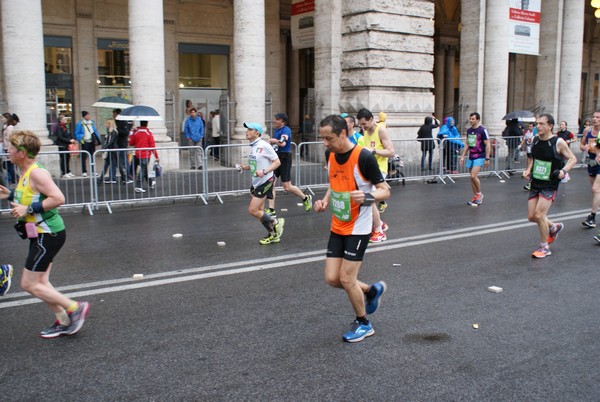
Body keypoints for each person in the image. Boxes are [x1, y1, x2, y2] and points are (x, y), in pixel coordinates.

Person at [0, 130, 90, 337]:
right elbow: (30, 197)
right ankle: (64, 320)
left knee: (29, 284)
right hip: (39, 234)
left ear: (22, 152)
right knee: (41, 282)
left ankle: (75, 308)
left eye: (11, 148)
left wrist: (28, 210)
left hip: (48, 234)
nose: (7, 150)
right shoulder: (26, 171)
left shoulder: (36, 173)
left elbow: (58, 198)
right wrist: (9, 195)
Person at [314, 115, 390, 343]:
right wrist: (325, 200)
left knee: (347, 280)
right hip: (338, 223)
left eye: (329, 138)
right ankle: (370, 291)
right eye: (322, 139)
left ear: (343, 134)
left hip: (359, 227)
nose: (325, 143)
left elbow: (385, 190)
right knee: (332, 279)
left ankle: (364, 323)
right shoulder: (330, 154)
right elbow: (334, 180)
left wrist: (368, 196)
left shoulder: (363, 157)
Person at [524, 114, 577, 258]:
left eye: (541, 124)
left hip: (550, 184)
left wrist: (563, 171)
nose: (538, 126)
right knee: (531, 216)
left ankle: (544, 247)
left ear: (550, 126)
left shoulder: (558, 142)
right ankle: (554, 226)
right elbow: (534, 159)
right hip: (536, 182)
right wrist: (528, 170)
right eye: (537, 123)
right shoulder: (535, 140)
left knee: (540, 215)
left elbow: (573, 158)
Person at [239, 122, 285, 245]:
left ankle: (276, 223)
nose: (247, 132)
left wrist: (264, 171)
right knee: (260, 212)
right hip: (256, 182)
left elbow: (277, 162)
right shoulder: (253, 146)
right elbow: (255, 165)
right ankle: (273, 234)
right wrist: (244, 167)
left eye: (250, 129)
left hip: (266, 181)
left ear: (257, 133)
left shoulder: (264, 145)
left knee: (253, 210)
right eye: (247, 129)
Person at [357, 108, 395, 242]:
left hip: (380, 171)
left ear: (371, 119)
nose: (362, 127)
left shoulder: (381, 130)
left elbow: (391, 152)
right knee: (366, 199)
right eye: (360, 125)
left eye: (364, 124)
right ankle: (380, 223)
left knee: (369, 199)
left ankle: (379, 231)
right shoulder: (366, 132)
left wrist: (373, 151)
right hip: (368, 169)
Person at [266, 112, 312, 217]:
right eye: (275, 119)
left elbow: (283, 143)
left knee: (287, 186)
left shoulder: (286, 129)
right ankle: (271, 209)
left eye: (277, 119)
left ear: (283, 121)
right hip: (276, 158)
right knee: (271, 183)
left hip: (285, 158)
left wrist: (274, 140)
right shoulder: (276, 130)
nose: (275, 121)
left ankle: (305, 198)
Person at [459, 112, 490, 206]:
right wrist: (463, 156)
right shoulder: (469, 131)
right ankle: (475, 196)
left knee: (473, 175)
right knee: (471, 178)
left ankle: (480, 194)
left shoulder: (482, 130)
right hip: (471, 156)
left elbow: (487, 144)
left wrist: (487, 158)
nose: (470, 120)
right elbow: (468, 143)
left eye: (473, 119)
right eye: (470, 118)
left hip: (480, 155)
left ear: (478, 120)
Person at [580, 110, 600, 230]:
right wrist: (586, 148)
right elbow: (581, 145)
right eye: (594, 117)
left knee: (595, 189)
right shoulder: (587, 131)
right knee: (596, 192)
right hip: (591, 162)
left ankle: (591, 218)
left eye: (598, 117)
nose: (595, 119)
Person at [129, 121, 160, 193]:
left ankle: (150, 183)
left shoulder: (135, 132)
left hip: (137, 154)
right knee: (143, 170)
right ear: (147, 124)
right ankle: (138, 185)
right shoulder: (148, 133)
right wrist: (157, 157)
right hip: (145, 155)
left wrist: (131, 134)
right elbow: (152, 146)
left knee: (144, 169)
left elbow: (131, 143)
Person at [74, 111, 101, 177]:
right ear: (84, 116)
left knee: (92, 156)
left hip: (92, 142)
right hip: (85, 142)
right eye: (88, 115)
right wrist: (81, 137)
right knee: (84, 157)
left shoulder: (92, 123)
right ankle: (84, 171)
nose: (89, 116)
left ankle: (93, 171)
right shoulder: (80, 124)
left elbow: (95, 131)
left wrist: (97, 139)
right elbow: (76, 133)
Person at [113, 109, 134, 184]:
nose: (113, 116)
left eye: (115, 114)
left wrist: (117, 130)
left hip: (122, 144)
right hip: (117, 144)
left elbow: (126, 132)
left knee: (124, 161)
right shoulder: (117, 122)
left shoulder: (123, 122)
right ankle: (123, 177)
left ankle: (128, 176)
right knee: (119, 162)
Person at [99, 119, 121, 184]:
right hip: (110, 149)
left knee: (116, 164)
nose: (105, 125)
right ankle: (101, 178)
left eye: (106, 123)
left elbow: (111, 141)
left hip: (113, 149)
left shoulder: (113, 132)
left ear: (110, 124)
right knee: (107, 164)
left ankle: (123, 177)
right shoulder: (109, 131)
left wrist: (104, 147)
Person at [2, 112, 20, 184]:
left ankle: (15, 178)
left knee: (8, 164)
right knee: (8, 164)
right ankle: (12, 179)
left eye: (3, 118)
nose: (2, 120)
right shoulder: (6, 127)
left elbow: (10, 139)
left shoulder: (10, 128)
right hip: (6, 147)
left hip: (8, 148)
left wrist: (10, 149)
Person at [520, 122, 535, 191]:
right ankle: (528, 173)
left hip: (534, 150)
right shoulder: (527, 132)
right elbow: (524, 139)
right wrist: (520, 145)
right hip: (529, 150)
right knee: (529, 161)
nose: (530, 128)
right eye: (529, 126)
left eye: (531, 126)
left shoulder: (535, 133)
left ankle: (531, 182)